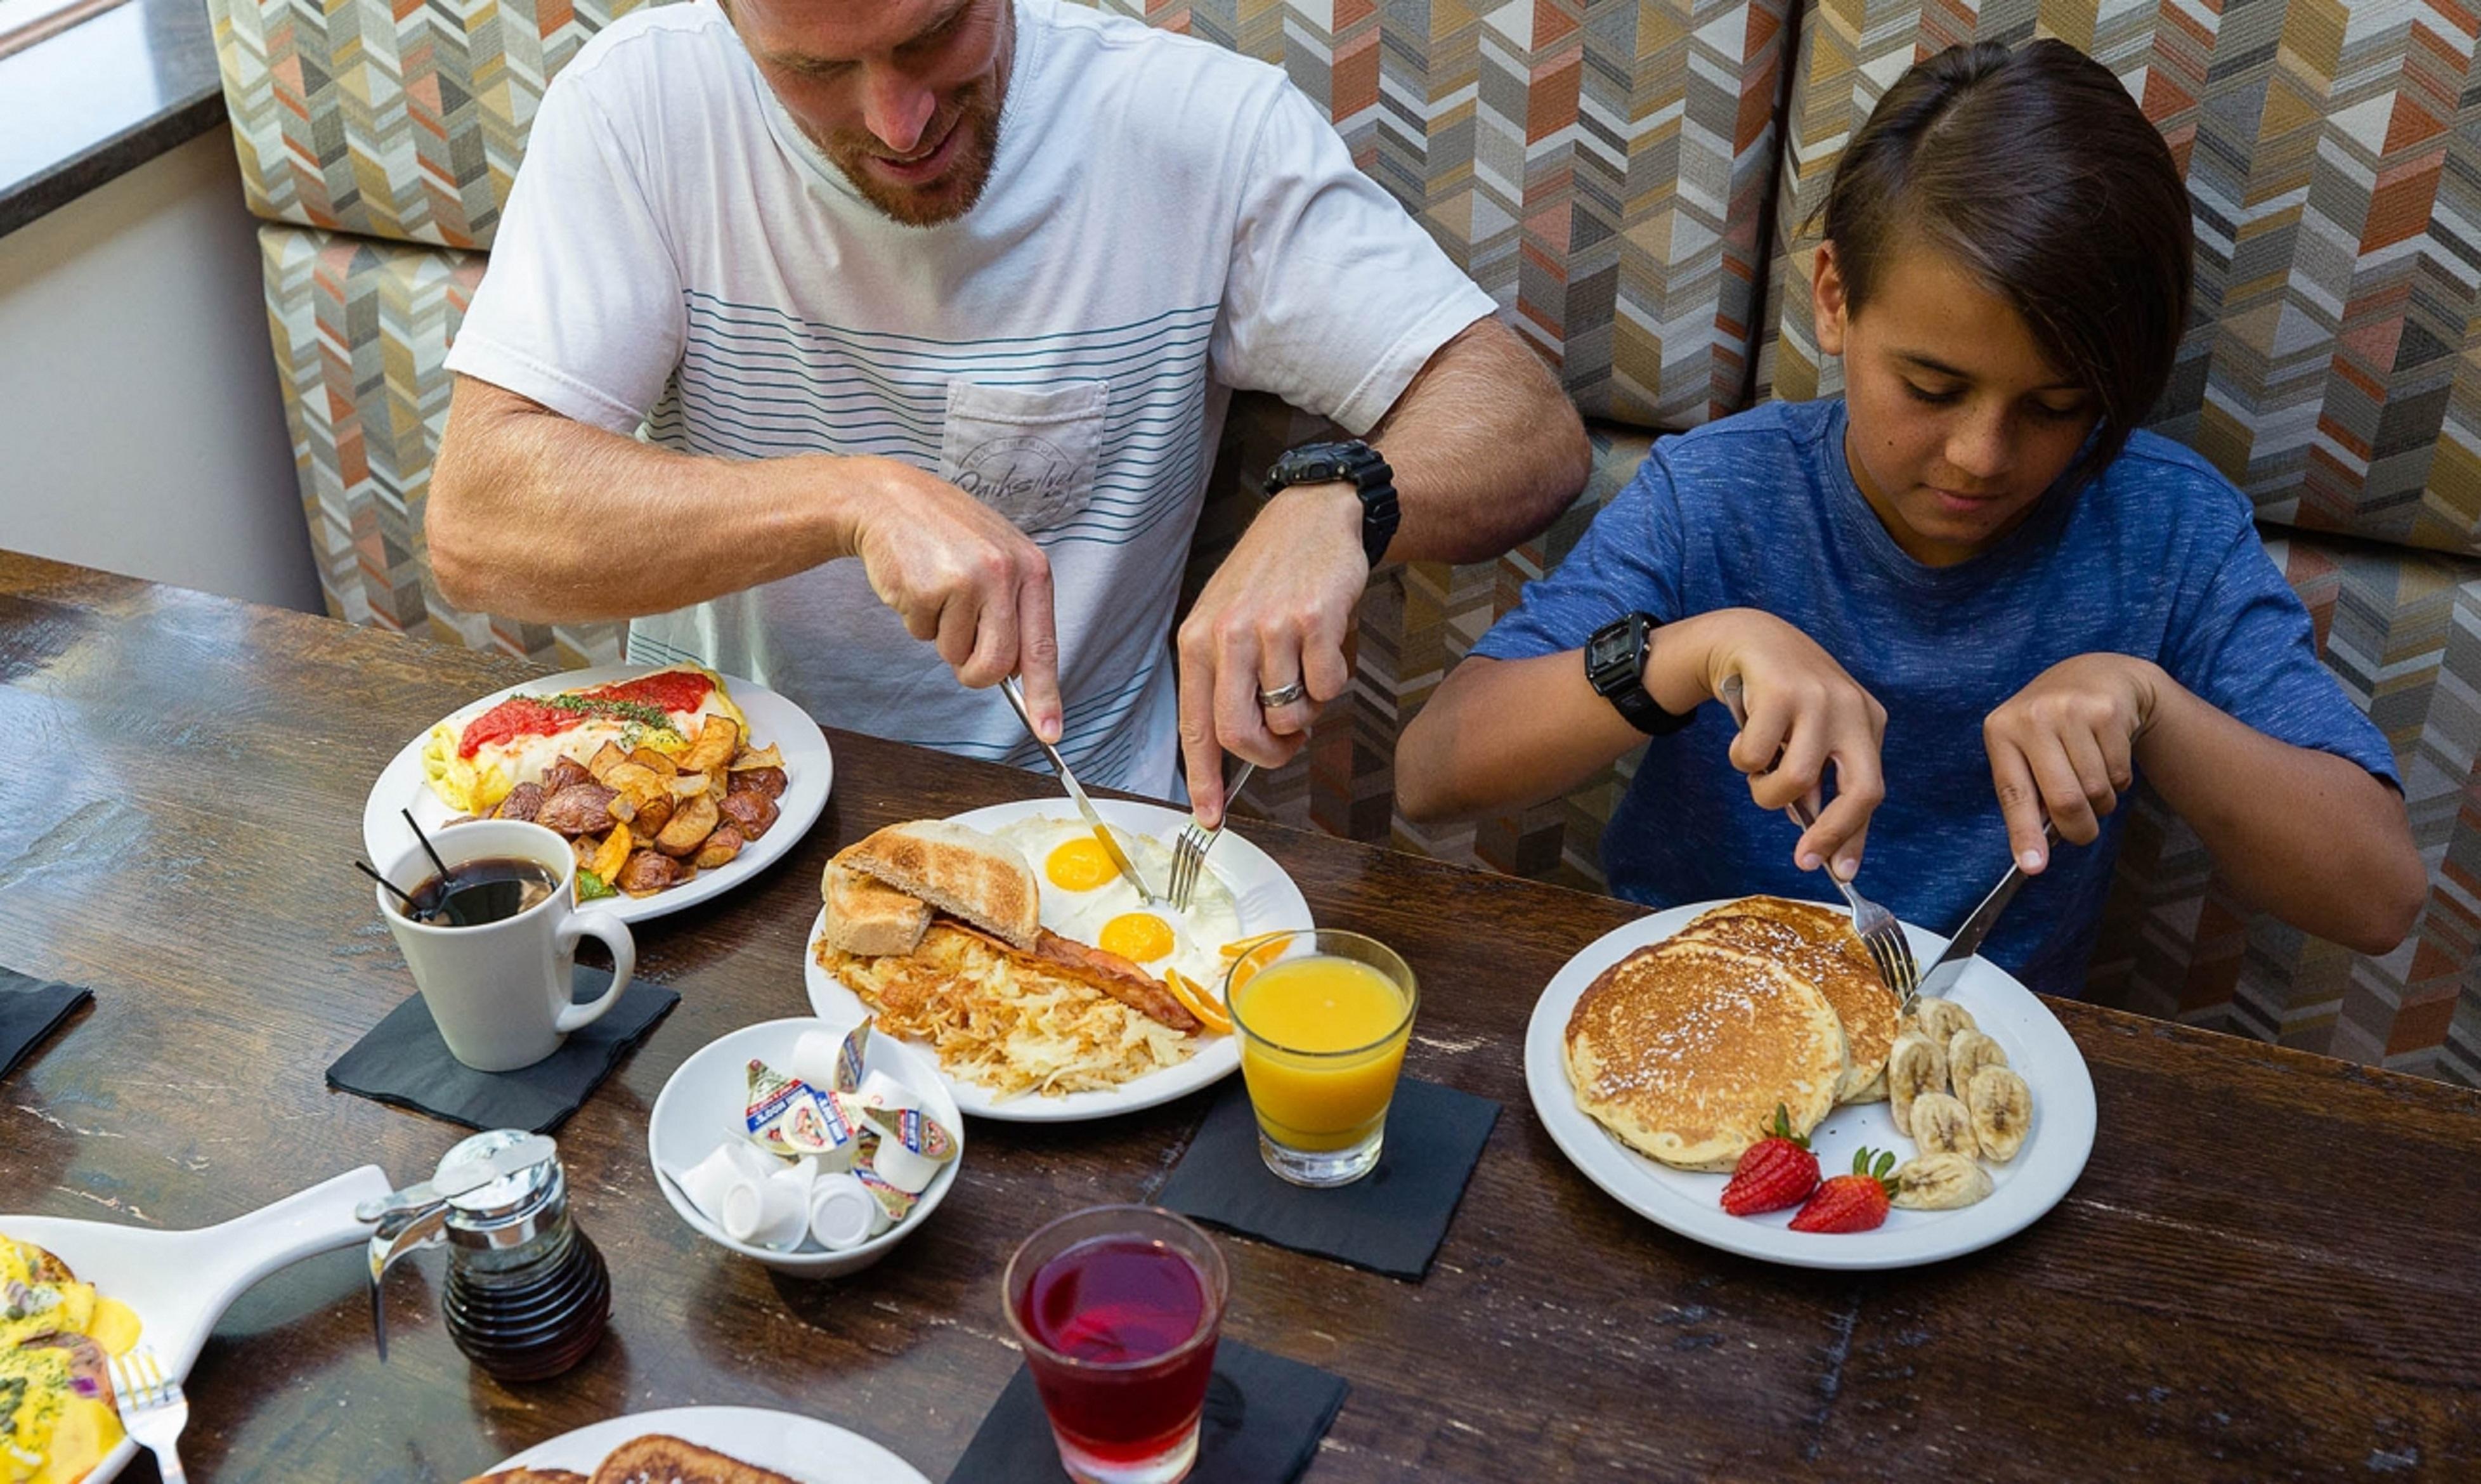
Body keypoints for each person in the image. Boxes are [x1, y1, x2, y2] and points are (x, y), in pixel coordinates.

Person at [1393, 40, 2425, 995]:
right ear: (1836, 298)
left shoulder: (2168, 528)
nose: (1982, 455)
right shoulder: (1718, 492)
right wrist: (1692, 653)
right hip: (1683, 1004)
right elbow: (1434, 772)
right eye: (1931, 387)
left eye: (2057, 408)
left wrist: (2154, 706)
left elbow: (2377, 897)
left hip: (1982, 1058)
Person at [426, 0, 1587, 825]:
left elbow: (1528, 432)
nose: (895, 120)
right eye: (813, 71)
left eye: (933, 36)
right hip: (720, 821)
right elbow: (476, 530)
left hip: (1078, 835)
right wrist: (851, 496)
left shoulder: (1197, 130)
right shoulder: (637, 103)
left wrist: (1341, 502)